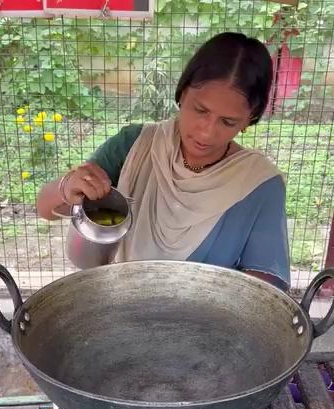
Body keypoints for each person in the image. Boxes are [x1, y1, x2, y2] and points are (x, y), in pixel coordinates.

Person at [37, 32, 290, 291]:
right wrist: (68, 187)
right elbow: (44, 208)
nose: (206, 132)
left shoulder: (258, 184)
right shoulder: (135, 146)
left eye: (228, 122)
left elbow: (266, 283)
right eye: (199, 110)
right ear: (182, 94)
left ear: (251, 118)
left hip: (208, 324)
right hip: (123, 308)